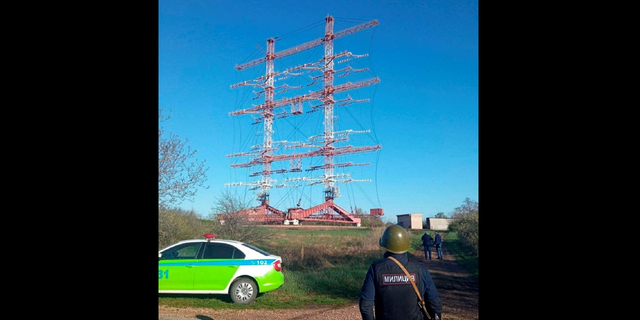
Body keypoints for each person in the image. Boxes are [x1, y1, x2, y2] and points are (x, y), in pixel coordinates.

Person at [359, 225, 443, 320]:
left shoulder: (376, 268)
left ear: (385, 244)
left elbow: (365, 305)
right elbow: (434, 301)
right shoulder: (420, 268)